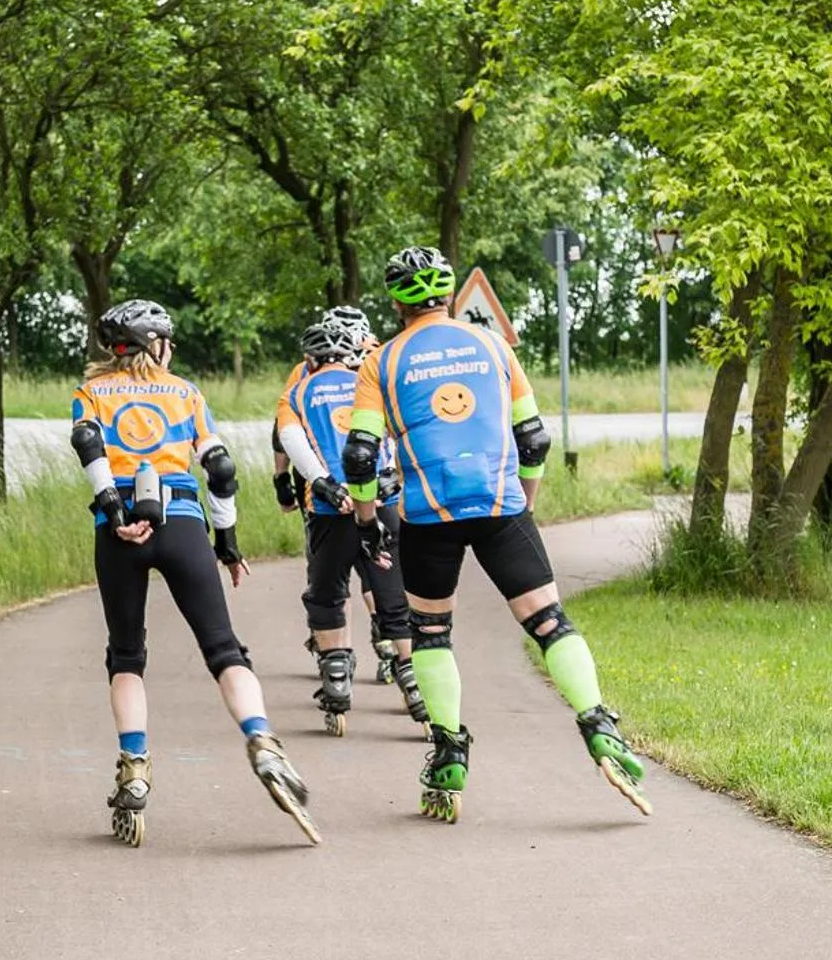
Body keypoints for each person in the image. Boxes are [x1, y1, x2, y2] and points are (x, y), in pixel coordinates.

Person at [343, 247, 653, 822]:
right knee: (549, 622)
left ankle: (448, 753)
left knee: (431, 633)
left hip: (428, 515)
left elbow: (360, 456)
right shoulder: (493, 345)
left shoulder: (380, 362)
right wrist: (524, 503)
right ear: (449, 292)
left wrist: (367, 523)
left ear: (395, 300)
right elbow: (533, 438)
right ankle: (598, 723)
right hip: (500, 503)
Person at [71, 300, 318, 847]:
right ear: (152, 344)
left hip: (118, 529)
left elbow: (87, 443)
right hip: (183, 524)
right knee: (224, 649)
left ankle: (134, 767)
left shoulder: (93, 392)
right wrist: (225, 541)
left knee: (127, 654)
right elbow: (221, 468)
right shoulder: (184, 392)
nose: (172, 349)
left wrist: (113, 509)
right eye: (167, 340)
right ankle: (263, 743)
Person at [275, 312, 429, 735]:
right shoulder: (371, 380)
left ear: (310, 357)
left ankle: (338, 684)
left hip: (330, 510)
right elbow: (397, 433)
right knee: (393, 593)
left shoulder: (298, 391)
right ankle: (415, 685)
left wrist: (322, 482)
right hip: (381, 500)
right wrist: (390, 476)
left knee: (327, 594)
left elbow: (291, 441)